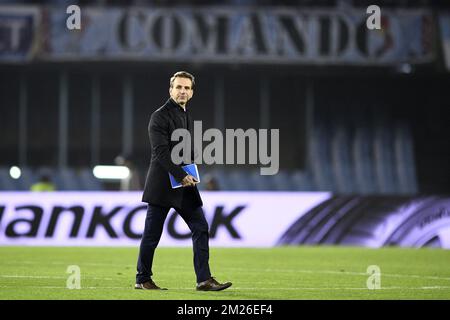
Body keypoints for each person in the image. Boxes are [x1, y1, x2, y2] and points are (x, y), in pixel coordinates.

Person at [135, 71, 232, 291]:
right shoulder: (159, 116)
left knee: (200, 227)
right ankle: (142, 278)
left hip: (184, 185)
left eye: (187, 88)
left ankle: (204, 279)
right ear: (170, 90)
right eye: (178, 87)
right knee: (152, 235)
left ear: (192, 93)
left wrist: (192, 168)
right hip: (163, 185)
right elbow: (161, 153)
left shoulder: (185, 115)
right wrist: (182, 174)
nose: (182, 91)